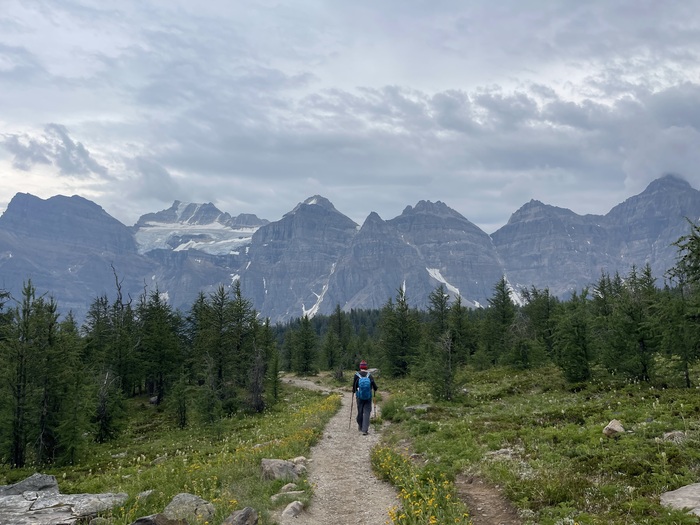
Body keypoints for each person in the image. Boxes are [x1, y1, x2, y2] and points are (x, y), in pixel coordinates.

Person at [352, 360, 378, 435]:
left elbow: (354, 388)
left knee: (360, 411)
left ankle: (360, 426)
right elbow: (375, 387)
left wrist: (354, 391)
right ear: (366, 367)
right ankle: (365, 430)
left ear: (360, 367)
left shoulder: (356, 375)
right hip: (368, 397)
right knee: (367, 412)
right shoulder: (369, 375)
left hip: (359, 397)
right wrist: (374, 389)